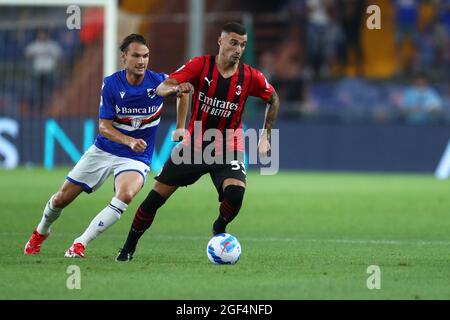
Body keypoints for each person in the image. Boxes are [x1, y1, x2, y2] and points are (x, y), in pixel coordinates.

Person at [116, 22, 280, 262]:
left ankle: (220, 227)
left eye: (243, 45)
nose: (238, 49)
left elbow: (273, 98)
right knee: (154, 200)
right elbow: (162, 87)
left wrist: (266, 135)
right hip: (193, 147)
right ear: (220, 41)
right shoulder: (199, 65)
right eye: (233, 42)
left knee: (235, 195)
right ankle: (128, 247)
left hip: (228, 147)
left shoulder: (250, 76)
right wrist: (175, 88)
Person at [24, 34, 189, 258]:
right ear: (124, 57)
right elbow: (104, 127)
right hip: (104, 150)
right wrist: (129, 140)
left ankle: (80, 244)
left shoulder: (160, 81)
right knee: (61, 198)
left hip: (136, 157)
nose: (142, 61)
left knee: (126, 194)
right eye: (136, 56)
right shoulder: (111, 84)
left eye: (146, 56)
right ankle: (41, 231)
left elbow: (184, 91)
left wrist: (180, 126)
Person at [25, 30, 62, 113]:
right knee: (38, 92)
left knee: (51, 90)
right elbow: (27, 54)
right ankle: (39, 107)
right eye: (40, 34)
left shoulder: (52, 45)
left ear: (46, 35)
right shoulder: (35, 45)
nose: (42, 36)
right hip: (38, 72)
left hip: (50, 72)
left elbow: (59, 55)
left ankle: (53, 105)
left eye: (43, 34)